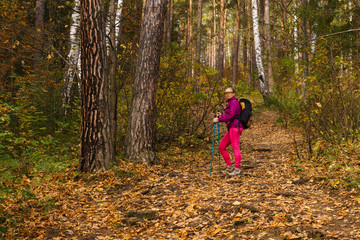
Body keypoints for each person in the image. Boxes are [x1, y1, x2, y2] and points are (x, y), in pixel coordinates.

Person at [213, 87, 242, 176]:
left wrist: (219, 119)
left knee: (235, 147)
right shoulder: (231, 102)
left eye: (229, 92)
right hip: (231, 128)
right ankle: (229, 166)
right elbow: (229, 115)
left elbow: (232, 116)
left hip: (235, 127)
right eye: (226, 93)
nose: (227, 94)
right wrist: (221, 116)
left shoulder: (234, 102)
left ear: (233, 93)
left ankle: (237, 169)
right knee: (221, 147)